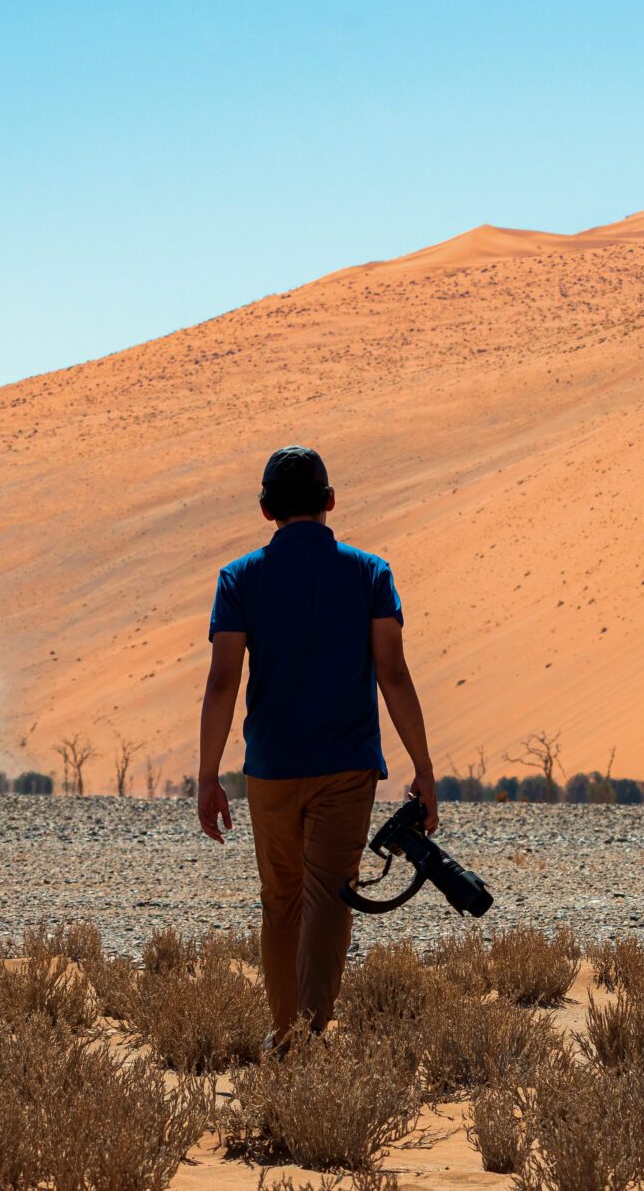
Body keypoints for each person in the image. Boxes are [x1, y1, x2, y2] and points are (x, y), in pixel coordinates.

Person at [195, 446, 436, 1046]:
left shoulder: (240, 577)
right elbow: (394, 674)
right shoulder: (369, 573)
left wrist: (207, 775)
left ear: (264, 509)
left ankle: (288, 1034)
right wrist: (425, 768)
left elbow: (223, 680)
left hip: (271, 769)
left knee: (280, 901)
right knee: (330, 896)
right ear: (330, 501)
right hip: (346, 767)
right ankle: (304, 1035)